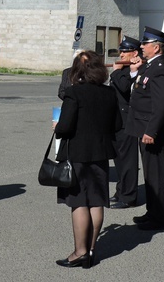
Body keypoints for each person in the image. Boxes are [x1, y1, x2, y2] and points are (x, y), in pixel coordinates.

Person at [54, 50, 121, 269]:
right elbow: (117, 125)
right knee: (96, 201)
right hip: (100, 154)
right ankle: (91, 249)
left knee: (79, 202)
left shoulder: (74, 93)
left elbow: (64, 127)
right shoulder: (109, 93)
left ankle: (79, 252)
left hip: (78, 154)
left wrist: (57, 126)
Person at [126, 26, 164, 231]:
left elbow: (161, 104)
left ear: (156, 47)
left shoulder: (160, 68)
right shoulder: (149, 66)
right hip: (143, 128)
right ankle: (152, 212)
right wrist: (135, 70)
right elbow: (136, 89)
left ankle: (159, 218)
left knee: (155, 174)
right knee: (149, 174)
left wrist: (151, 131)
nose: (141, 47)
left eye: (145, 44)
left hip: (152, 132)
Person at [109, 36, 140, 209]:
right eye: (121, 51)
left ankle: (129, 197)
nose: (121, 54)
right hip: (116, 121)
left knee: (128, 161)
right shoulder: (124, 68)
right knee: (119, 161)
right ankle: (121, 191)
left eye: (125, 51)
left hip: (128, 120)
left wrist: (115, 71)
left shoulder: (135, 68)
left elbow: (124, 87)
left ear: (134, 53)